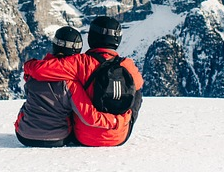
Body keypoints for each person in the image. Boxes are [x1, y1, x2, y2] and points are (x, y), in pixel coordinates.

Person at [24, 16, 143, 147]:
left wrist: (30, 64)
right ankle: (120, 126)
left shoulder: (80, 62)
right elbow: (139, 84)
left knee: (69, 90)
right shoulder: (127, 65)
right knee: (137, 92)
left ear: (91, 37)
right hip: (120, 135)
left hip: (84, 137)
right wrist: (120, 120)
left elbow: (39, 70)